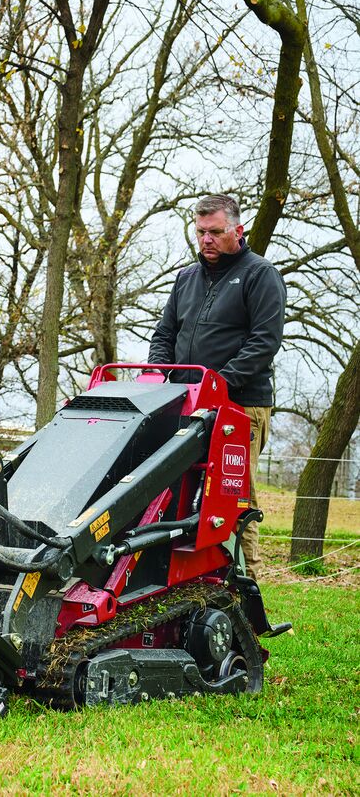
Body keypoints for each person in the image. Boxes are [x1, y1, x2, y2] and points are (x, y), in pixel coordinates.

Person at [148, 195, 286, 579]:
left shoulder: (260, 275)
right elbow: (164, 335)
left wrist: (219, 383)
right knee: (178, 495)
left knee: (234, 500)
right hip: (185, 403)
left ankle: (246, 592)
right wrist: (159, 374)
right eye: (200, 232)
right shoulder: (186, 279)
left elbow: (264, 341)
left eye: (215, 232)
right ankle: (189, 584)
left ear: (237, 231)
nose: (206, 239)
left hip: (239, 407)